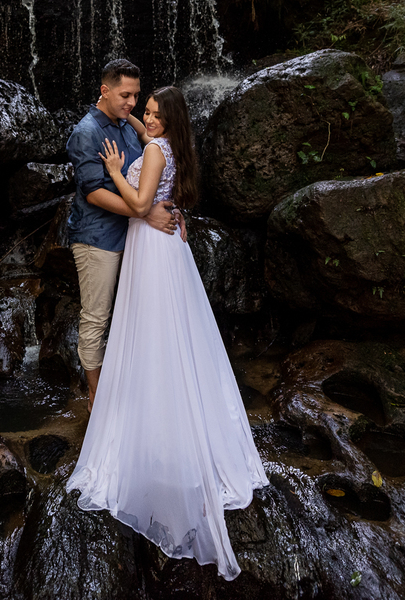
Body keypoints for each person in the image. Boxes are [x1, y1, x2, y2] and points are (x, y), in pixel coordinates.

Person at [66, 85, 268, 581]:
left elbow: (139, 204)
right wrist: (137, 123)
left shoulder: (156, 150)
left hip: (150, 247)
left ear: (169, 121)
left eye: (155, 113)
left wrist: (116, 170)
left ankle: (158, 435)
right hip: (161, 249)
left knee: (153, 335)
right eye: (145, 110)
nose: (147, 119)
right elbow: (150, 141)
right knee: (171, 336)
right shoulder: (170, 144)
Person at [66, 60, 181, 412]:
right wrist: (145, 212)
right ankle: (97, 398)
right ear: (105, 91)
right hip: (97, 237)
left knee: (136, 316)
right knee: (97, 317)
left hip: (136, 238)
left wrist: (172, 209)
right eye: (125, 95)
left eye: (136, 96)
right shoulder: (86, 133)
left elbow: (155, 172)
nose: (132, 103)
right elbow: (93, 193)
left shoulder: (128, 125)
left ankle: (138, 394)